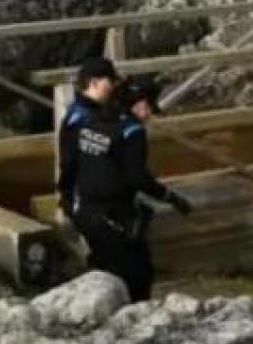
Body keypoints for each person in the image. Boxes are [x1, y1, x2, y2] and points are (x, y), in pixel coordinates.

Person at [58, 58, 191, 301]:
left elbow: (80, 164)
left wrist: (69, 201)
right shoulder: (130, 131)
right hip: (112, 214)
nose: (150, 113)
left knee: (105, 270)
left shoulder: (88, 121)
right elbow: (136, 176)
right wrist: (170, 197)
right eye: (148, 106)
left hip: (87, 209)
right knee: (137, 275)